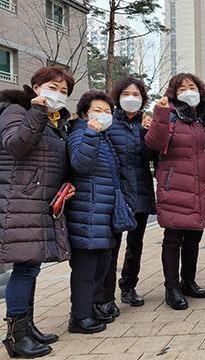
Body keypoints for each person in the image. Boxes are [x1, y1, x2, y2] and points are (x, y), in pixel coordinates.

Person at [0, 66, 75, 358]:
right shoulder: (14, 111)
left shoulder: (56, 121)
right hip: (19, 200)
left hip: (40, 201)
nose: (57, 94)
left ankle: (27, 326)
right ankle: (16, 336)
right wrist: (36, 112)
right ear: (35, 86)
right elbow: (16, 145)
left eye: (63, 91)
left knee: (30, 265)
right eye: (52, 87)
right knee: (25, 266)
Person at [145, 73, 205, 311]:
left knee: (194, 236)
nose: (188, 92)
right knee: (173, 238)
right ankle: (172, 287)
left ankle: (188, 280)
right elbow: (154, 144)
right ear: (173, 94)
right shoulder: (170, 117)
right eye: (182, 88)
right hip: (175, 187)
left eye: (192, 87)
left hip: (200, 187)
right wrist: (160, 114)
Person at [94, 77, 156, 317]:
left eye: (137, 94)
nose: (132, 98)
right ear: (118, 96)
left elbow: (151, 156)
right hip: (116, 193)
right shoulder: (109, 122)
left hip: (140, 188)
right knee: (111, 245)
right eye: (127, 94)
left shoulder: (146, 123)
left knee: (136, 244)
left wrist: (150, 132)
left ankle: (128, 286)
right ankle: (105, 295)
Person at [66, 91, 122, 334]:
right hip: (86, 212)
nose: (104, 115)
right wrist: (90, 133)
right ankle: (79, 317)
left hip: (102, 212)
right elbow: (80, 164)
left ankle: (92, 308)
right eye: (98, 110)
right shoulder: (80, 133)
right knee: (86, 269)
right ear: (84, 113)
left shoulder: (103, 137)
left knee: (101, 265)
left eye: (108, 111)